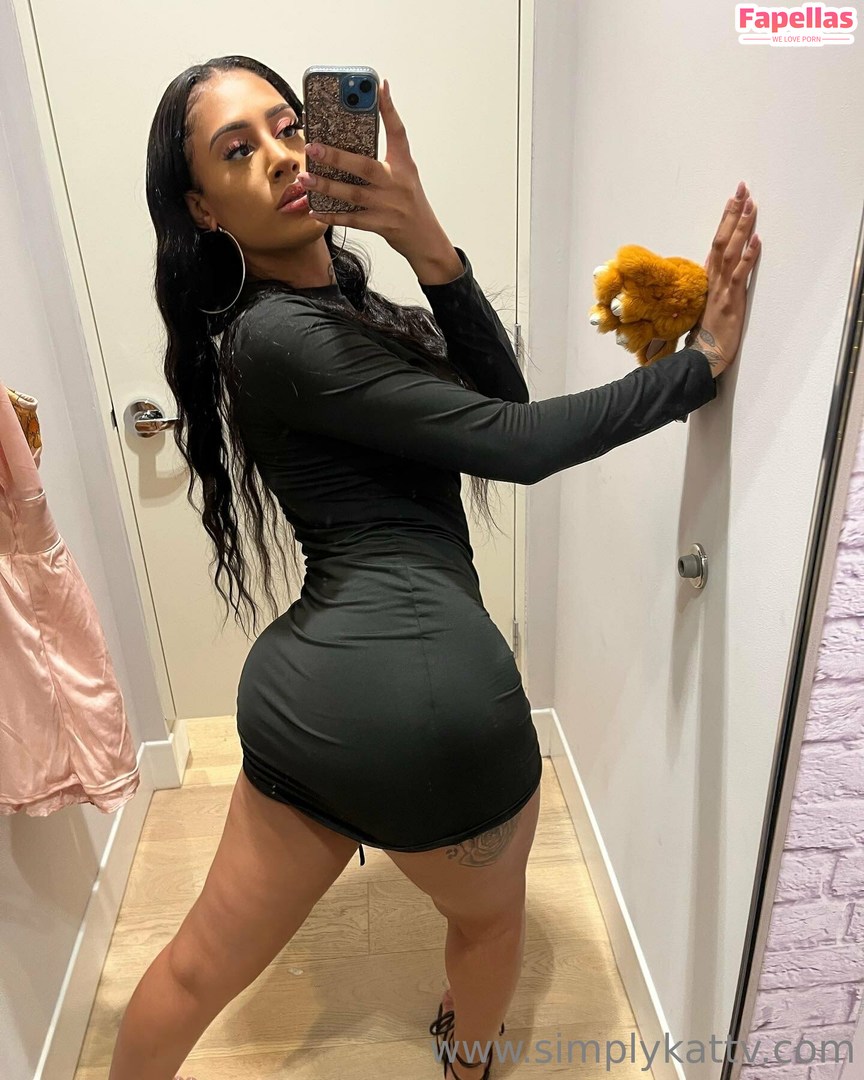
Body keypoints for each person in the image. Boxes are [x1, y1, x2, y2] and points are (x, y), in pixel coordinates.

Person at [108, 55, 759, 1080]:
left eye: (289, 125)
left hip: (310, 712)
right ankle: (469, 1064)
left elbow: (500, 401)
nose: (280, 155)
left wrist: (425, 242)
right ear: (203, 209)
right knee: (488, 928)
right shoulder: (280, 336)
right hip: (437, 719)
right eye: (238, 150)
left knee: (194, 970)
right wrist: (699, 368)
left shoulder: (321, 317)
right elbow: (521, 444)